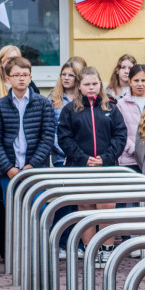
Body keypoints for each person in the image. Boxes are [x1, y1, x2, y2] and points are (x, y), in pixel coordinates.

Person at [0, 56, 55, 261]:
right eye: (16, 75)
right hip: (10, 173)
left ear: (31, 77)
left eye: (25, 75)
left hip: (36, 171)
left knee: (39, 213)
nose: (21, 79)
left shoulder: (43, 104)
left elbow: (47, 136)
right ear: (8, 79)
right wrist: (9, 168)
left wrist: (32, 165)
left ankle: (39, 256)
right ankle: (18, 258)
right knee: (15, 216)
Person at [57, 66, 127, 268]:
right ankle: (90, 250)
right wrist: (82, 158)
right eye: (86, 84)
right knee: (86, 207)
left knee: (106, 208)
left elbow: (120, 135)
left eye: (94, 84)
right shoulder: (70, 110)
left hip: (106, 167)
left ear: (100, 84)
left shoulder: (111, 108)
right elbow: (65, 138)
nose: (91, 88)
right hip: (81, 167)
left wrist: (105, 157)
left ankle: (106, 250)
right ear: (79, 86)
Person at [48, 58, 85, 260]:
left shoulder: (83, 100)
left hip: (81, 158)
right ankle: (61, 242)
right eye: (64, 74)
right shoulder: (53, 99)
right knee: (65, 202)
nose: (67, 78)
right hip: (63, 157)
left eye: (71, 75)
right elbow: (52, 131)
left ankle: (77, 242)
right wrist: (65, 150)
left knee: (81, 203)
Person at [116, 64, 145, 173]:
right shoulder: (121, 104)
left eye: (143, 80)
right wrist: (135, 150)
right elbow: (119, 131)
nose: (140, 84)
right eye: (136, 80)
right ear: (130, 81)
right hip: (129, 159)